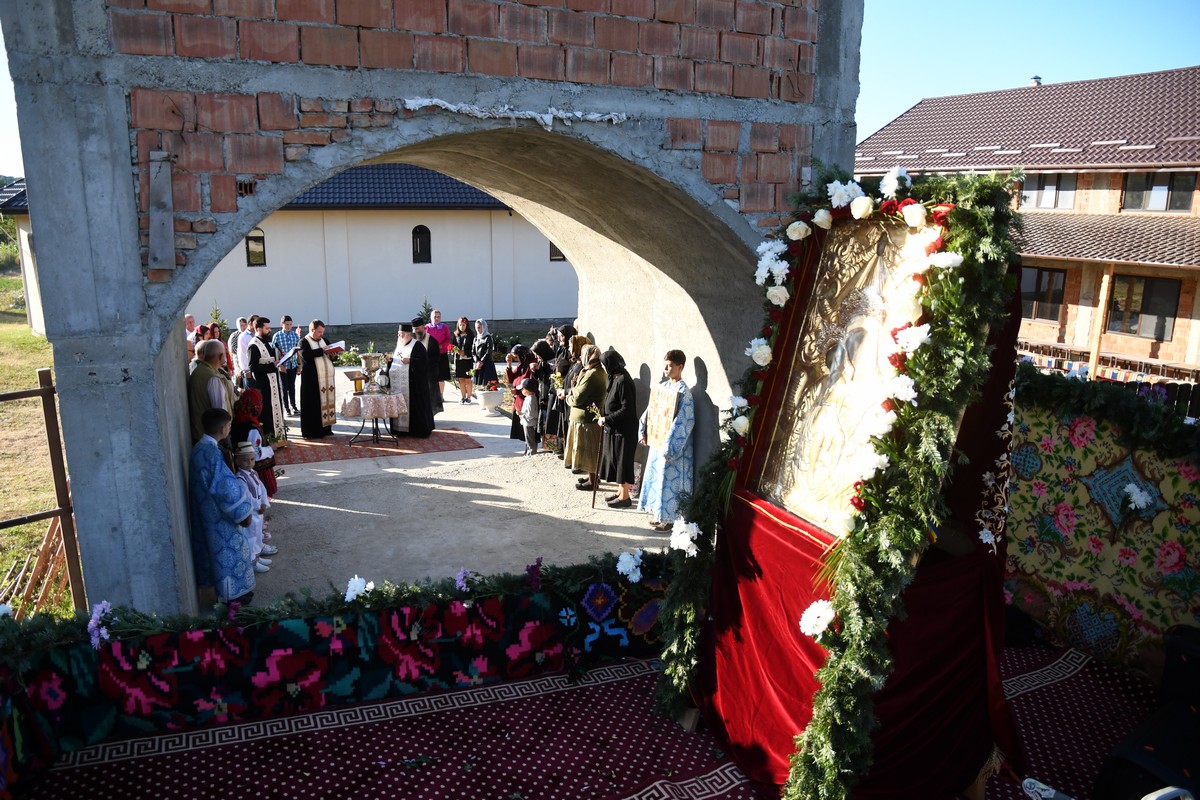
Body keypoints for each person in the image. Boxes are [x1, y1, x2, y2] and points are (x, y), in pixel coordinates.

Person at [189, 408, 255, 604]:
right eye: (229, 425)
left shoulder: (200, 448)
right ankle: (234, 598)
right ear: (222, 428)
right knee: (229, 556)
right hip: (218, 519)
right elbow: (225, 488)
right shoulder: (211, 454)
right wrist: (245, 512)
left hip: (207, 514)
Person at [638, 349, 695, 531]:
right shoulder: (664, 386)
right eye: (665, 364)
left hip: (673, 447)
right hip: (658, 440)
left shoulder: (684, 393)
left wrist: (669, 446)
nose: (666, 368)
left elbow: (684, 422)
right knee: (657, 479)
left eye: (670, 366)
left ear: (680, 367)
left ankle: (671, 519)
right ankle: (658, 512)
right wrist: (645, 430)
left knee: (670, 483)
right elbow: (651, 410)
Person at [599, 348, 639, 508]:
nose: (603, 367)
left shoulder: (623, 380)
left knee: (623, 462)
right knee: (617, 460)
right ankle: (619, 492)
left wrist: (607, 418)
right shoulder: (615, 377)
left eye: (604, 364)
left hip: (625, 430)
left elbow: (626, 408)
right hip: (616, 429)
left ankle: (625, 497)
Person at [564, 344, 607, 492]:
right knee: (590, 451)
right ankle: (592, 477)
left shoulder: (592, 374)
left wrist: (567, 398)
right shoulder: (594, 371)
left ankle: (593, 481)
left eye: (583, 355)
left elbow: (578, 398)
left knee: (590, 452)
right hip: (585, 418)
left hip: (587, 420)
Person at [383, 321, 435, 438]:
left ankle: (417, 431)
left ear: (407, 334)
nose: (399, 337)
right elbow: (396, 362)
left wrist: (411, 360)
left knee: (415, 408)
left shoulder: (417, 346)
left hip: (413, 386)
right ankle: (399, 429)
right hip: (398, 386)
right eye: (398, 334)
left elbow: (424, 363)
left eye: (400, 334)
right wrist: (390, 360)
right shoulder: (399, 346)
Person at [188, 339, 238, 443]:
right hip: (213, 437)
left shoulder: (201, 370)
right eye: (225, 354)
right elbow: (220, 411)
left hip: (203, 435)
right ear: (220, 357)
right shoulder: (212, 377)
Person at [231, 388, 278, 498]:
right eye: (259, 402)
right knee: (258, 498)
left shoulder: (238, 420)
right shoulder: (251, 428)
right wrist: (271, 449)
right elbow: (255, 454)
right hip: (255, 472)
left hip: (243, 467)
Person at [233, 442, 272, 574]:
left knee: (257, 536)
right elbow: (247, 498)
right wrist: (257, 506)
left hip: (258, 513)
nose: (249, 463)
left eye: (252, 459)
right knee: (250, 538)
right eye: (245, 460)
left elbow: (262, 488)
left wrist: (264, 502)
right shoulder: (241, 479)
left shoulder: (254, 473)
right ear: (237, 461)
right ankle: (251, 563)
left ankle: (257, 557)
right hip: (251, 513)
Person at [298, 319, 337, 439]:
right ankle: (312, 432)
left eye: (322, 332)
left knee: (326, 403)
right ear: (312, 330)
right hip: (312, 380)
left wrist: (333, 354)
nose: (321, 334)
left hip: (326, 379)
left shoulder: (324, 340)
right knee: (312, 405)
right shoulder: (303, 342)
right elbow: (306, 356)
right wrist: (322, 350)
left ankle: (326, 429)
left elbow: (330, 357)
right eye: (319, 332)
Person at [247, 317, 284, 438]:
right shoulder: (253, 345)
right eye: (267, 328)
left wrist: (282, 356)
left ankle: (279, 438)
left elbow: (273, 359)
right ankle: (268, 439)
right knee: (267, 414)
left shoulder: (268, 343)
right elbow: (253, 367)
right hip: (263, 386)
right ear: (258, 329)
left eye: (269, 328)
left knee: (276, 412)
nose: (269, 330)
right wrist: (271, 366)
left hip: (274, 384)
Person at [412, 318, 444, 417]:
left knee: (430, 397)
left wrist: (423, 365)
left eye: (418, 329)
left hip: (429, 374)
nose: (416, 331)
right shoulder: (412, 340)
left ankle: (429, 417)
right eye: (415, 329)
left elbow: (435, 359)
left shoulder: (432, 341)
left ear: (423, 327)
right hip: (415, 374)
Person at [271, 315, 300, 415]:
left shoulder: (295, 335)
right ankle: (286, 407)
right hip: (283, 366)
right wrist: (279, 365)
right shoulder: (277, 336)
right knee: (284, 387)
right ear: (282, 324)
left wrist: (299, 365)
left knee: (292, 386)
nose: (289, 326)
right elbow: (273, 352)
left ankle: (293, 406)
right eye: (287, 324)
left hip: (293, 364)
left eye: (291, 324)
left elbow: (297, 351)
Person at [505, 344, 535, 444]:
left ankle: (531, 448)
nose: (515, 359)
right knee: (521, 428)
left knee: (527, 427)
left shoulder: (529, 365)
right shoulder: (520, 365)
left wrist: (518, 391)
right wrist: (509, 365)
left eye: (516, 357)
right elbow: (512, 378)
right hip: (518, 400)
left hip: (525, 400)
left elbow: (529, 384)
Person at [426, 309, 453, 400]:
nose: (437, 318)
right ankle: (432, 395)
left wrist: (442, 345)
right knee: (431, 376)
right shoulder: (427, 327)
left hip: (442, 354)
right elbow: (423, 339)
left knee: (441, 376)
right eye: (435, 317)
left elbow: (448, 338)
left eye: (438, 317)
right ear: (431, 317)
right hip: (430, 355)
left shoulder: (444, 327)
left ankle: (441, 395)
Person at [452, 316, 475, 403]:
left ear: (467, 325)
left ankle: (469, 397)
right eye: (460, 325)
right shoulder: (455, 334)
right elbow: (452, 346)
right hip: (459, 360)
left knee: (468, 379)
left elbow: (473, 348)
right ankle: (463, 397)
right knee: (461, 379)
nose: (462, 327)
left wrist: (465, 352)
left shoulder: (471, 335)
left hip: (468, 360)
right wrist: (456, 350)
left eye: (464, 325)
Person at [472, 319, 499, 390]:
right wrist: (477, 361)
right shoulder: (475, 338)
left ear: (483, 327)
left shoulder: (488, 337)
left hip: (487, 363)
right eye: (476, 328)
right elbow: (473, 352)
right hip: (479, 363)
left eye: (479, 327)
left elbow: (489, 351)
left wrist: (482, 361)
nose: (478, 329)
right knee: (481, 383)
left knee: (488, 383)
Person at [517, 378, 540, 456]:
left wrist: (521, 414)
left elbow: (531, 414)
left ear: (526, 389)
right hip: (527, 422)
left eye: (522, 389)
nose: (521, 391)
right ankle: (528, 452)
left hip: (529, 423)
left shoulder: (531, 399)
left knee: (530, 438)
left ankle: (531, 452)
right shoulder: (528, 398)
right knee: (527, 438)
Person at [237, 315, 258, 389]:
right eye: (256, 322)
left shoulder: (257, 334)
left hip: (258, 370)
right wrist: (246, 370)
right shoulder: (243, 336)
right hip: (249, 372)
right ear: (250, 323)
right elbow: (242, 355)